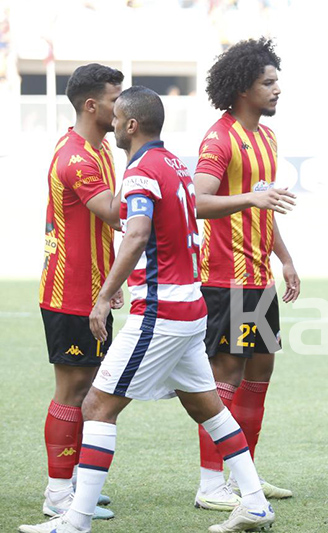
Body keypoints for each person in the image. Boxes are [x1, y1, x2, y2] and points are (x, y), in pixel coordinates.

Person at [20, 86, 275, 533]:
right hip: (189, 306)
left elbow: (135, 234)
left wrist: (104, 295)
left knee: (98, 405)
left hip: (161, 311)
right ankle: (254, 502)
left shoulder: (140, 172)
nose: (113, 124)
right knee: (210, 409)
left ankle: (74, 521)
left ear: (132, 125)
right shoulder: (176, 163)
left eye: (118, 118)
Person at [193, 37, 298, 510]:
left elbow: (263, 207)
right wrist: (252, 199)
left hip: (259, 277)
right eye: (268, 82)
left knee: (261, 371)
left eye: (278, 81)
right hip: (224, 278)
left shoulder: (267, 137)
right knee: (226, 377)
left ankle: (244, 475)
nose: (278, 90)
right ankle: (211, 484)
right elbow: (197, 201)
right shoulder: (219, 137)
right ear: (242, 89)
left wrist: (286, 257)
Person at [37, 63, 124, 521]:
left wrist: (113, 283)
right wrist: (161, 185)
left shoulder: (101, 147)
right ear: (92, 105)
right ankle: (57, 495)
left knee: (89, 387)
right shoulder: (77, 157)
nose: (122, 106)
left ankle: (71, 481)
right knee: (72, 391)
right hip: (70, 294)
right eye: (116, 98)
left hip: (94, 292)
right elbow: (112, 212)